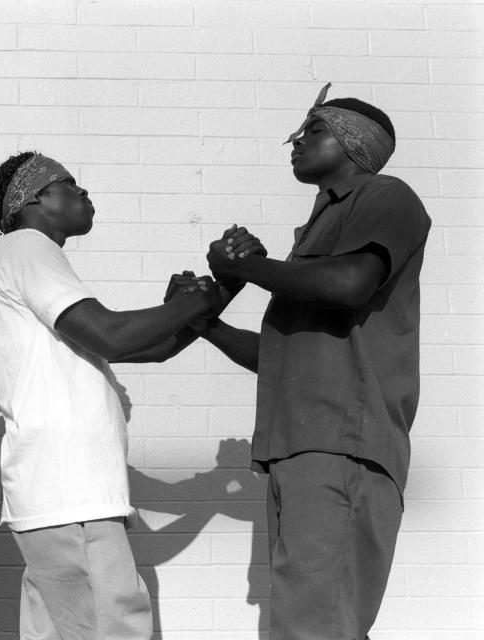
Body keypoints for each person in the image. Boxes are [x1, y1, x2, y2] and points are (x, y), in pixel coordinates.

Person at [180, 83, 431, 639]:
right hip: (302, 451)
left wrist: (251, 267)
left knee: (312, 629)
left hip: (341, 445)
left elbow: (350, 282)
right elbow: (277, 357)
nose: (296, 140)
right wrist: (206, 324)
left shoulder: (386, 195)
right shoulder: (315, 234)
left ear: (354, 143)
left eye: (313, 130)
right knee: (306, 625)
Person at [0, 152, 227, 639]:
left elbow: (148, 348)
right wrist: (197, 301)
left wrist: (212, 298)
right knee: (111, 628)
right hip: (69, 492)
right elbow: (113, 333)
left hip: (61, 495)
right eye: (71, 184)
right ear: (36, 197)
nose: (84, 193)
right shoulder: (28, 247)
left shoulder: (27, 259)